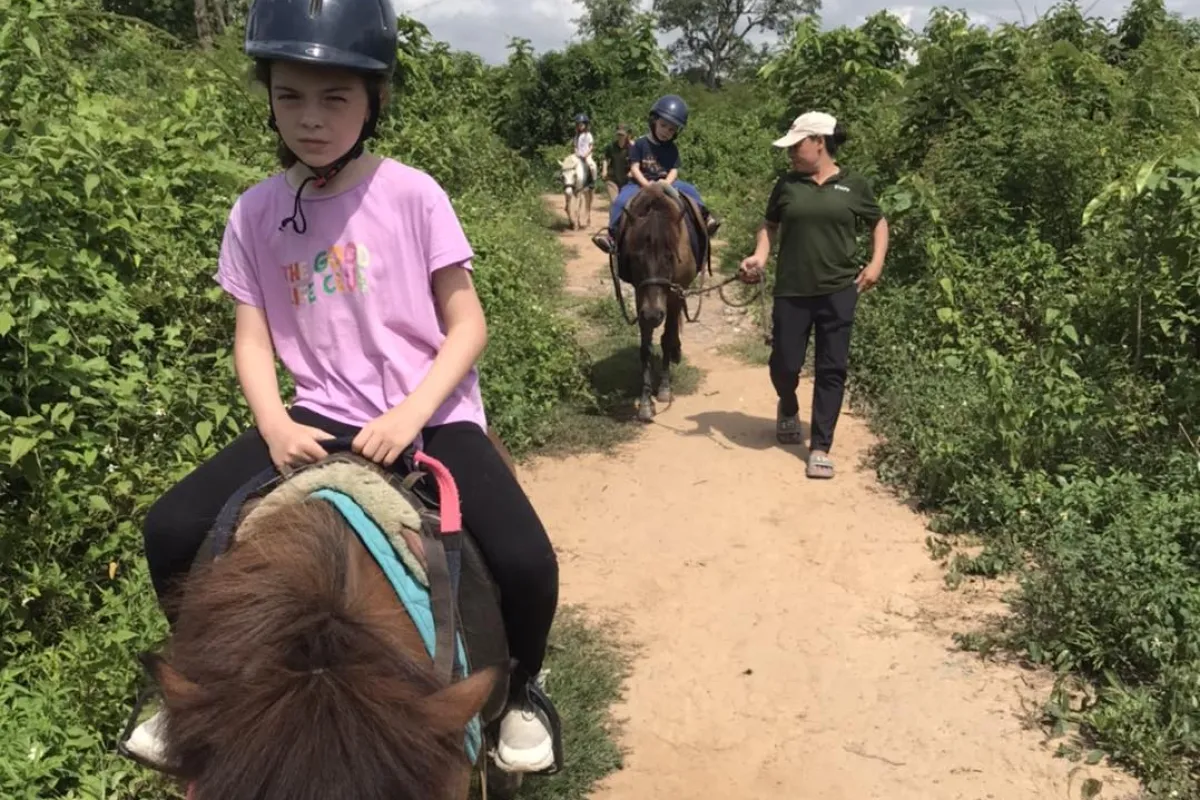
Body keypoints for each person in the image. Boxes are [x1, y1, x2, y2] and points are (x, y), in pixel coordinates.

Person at [122, 0, 561, 776]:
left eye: (335, 97)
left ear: (374, 101)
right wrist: (275, 424)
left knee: (527, 559)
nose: (311, 119)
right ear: (267, 99)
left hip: (429, 412)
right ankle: (206, 692)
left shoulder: (413, 194)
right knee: (168, 529)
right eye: (290, 95)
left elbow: (468, 327)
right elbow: (252, 339)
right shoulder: (255, 211)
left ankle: (524, 691)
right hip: (316, 411)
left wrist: (411, 413)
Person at [737, 111, 889, 479]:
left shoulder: (855, 186)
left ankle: (820, 446)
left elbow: (878, 223)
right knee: (784, 364)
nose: (790, 154)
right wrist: (759, 256)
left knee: (831, 368)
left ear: (819, 143)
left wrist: (876, 263)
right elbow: (769, 225)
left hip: (839, 291)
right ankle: (787, 404)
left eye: (797, 146)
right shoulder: (787, 185)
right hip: (792, 290)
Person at [591, 94, 720, 255]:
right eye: (663, 125)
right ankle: (612, 235)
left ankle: (706, 220)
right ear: (654, 121)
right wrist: (647, 185)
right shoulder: (640, 144)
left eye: (672, 129)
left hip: (667, 183)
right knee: (619, 201)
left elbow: (674, 169)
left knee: (691, 190)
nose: (666, 131)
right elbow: (635, 168)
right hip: (640, 183)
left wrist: (666, 183)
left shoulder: (672, 148)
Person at [601, 122, 633, 202]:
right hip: (612, 179)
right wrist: (604, 170)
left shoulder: (632, 147)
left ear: (627, 135)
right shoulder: (611, 147)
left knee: (626, 203)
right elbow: (605, 158)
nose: (620, 137)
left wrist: (632, 171)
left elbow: (636, 162)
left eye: (622, 135)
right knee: (615, 203)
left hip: (627, 181)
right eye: (619, 134)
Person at [571, 112, 597, 188]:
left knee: (592, 166)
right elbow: (575, 146)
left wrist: (586, 154)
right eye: (579, 125)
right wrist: (577, 153)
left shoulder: (588, 135)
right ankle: (568, 181)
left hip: (587, 155)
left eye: (582, 125)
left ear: (585, 125)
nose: (580, 126)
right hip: (578, 155)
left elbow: (591, 146)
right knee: (569, 163)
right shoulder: (576, 136)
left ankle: (593, 181)